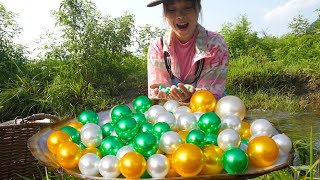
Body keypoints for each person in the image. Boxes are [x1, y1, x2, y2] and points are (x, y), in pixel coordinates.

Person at [147, 0, 229, 102]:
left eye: (187, 8)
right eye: (172, 9)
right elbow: (156, 91)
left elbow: (212, 94)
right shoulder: (157, 46)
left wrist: (192, 95)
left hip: (207, 111)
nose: (180, 16)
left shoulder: (216, 44)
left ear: (198, 8)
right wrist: (166, 94)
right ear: (165, 13)